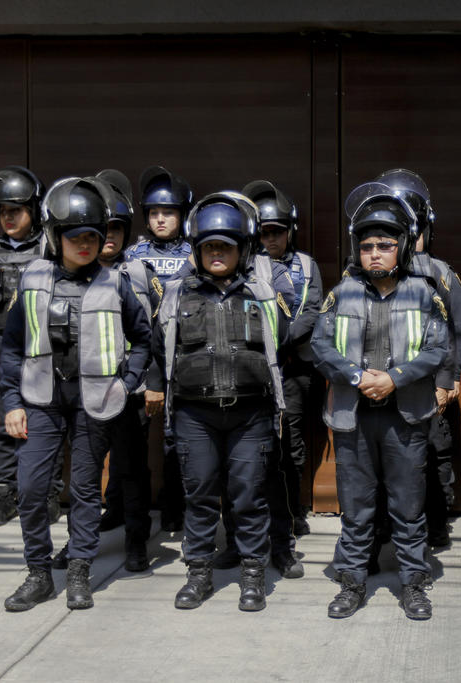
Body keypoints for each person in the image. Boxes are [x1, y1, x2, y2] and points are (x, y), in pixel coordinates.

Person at [0, 177, 152, 611]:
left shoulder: (116, 282)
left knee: (86, 489)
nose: (85, 245)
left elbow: (143, 339)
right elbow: (12, 346)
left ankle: (80, 571)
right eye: (75, 237)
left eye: (93, 236)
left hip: (95, 403)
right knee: (30, 488)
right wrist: (12, 402)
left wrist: (126, 381)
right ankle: (39, 574)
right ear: (55, 237)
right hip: (39, 402)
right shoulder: (31, 279)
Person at [310, 182, 448, 620]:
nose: (375, 253)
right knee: (357, 508)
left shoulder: (425, 293)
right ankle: (352, 582)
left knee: (408, 508)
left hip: (405, 418)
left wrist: (394, 378)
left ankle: (413, 583)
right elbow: (320, 344)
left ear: (402, 247)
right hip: (353, 417)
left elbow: (437, 348)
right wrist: (356, 375)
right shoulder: (341, 292)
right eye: (367, 245)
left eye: (385, 245)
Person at [154, 192, 291, 612]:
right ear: (197, 250)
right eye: (209, 245)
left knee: (249, 496)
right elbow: (159, 347)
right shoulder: (177, 294)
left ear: (242, 249)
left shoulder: (263, 292)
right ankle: (198, 575)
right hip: (195, 415)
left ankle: (253, 575)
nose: (217, 253)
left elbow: (282, 339)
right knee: (199, 497)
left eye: (225, 246)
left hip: (251, 414)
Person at [0, 166, 64, 527]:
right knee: (1, 424)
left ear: (34, 210)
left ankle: (48, 494)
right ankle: (5, 497)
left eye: (15, 210)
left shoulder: (49, 249)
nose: (8, 217)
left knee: (45, 423)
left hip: (40, 351)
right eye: (3, 211)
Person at [375, 168, 461, 550]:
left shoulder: (441, 275)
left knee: (434, 456)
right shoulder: (367, 274)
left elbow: (458, 332)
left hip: (431, 389)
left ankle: (435, 526)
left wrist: (450, 379)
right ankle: (382, 529)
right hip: (384, 389)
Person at [242, 179, 322, 578]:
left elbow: (312, 309)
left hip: (293, 367)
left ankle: (292, 516)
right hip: (254, 370)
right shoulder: (244, 265)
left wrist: (282, 338)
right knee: (252, 451)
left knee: (290, 447)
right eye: (263, 232)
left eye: (276, 231)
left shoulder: (306, 266)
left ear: (290, 230)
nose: (269, 238)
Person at [94, 169, 161, 572]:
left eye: (117, 228)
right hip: (82, 393)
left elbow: (155, 335)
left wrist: (151, 383)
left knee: (133, 471)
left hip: (130, 390)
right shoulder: (63, 277)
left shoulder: (139, 275)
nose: (109, 236)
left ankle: (137, 544)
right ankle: (81, 545)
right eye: (103, 228)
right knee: (85, 477)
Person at [126, 165, 194, 533]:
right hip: (141, 355)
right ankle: (121, 507)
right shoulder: (132, 253)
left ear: (183, 214)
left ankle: (174, 506)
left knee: (176, 436)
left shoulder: (195, 252)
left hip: (181, 356)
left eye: (168, 212)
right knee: (131, 435)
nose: (161, 219)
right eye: (154, 212)